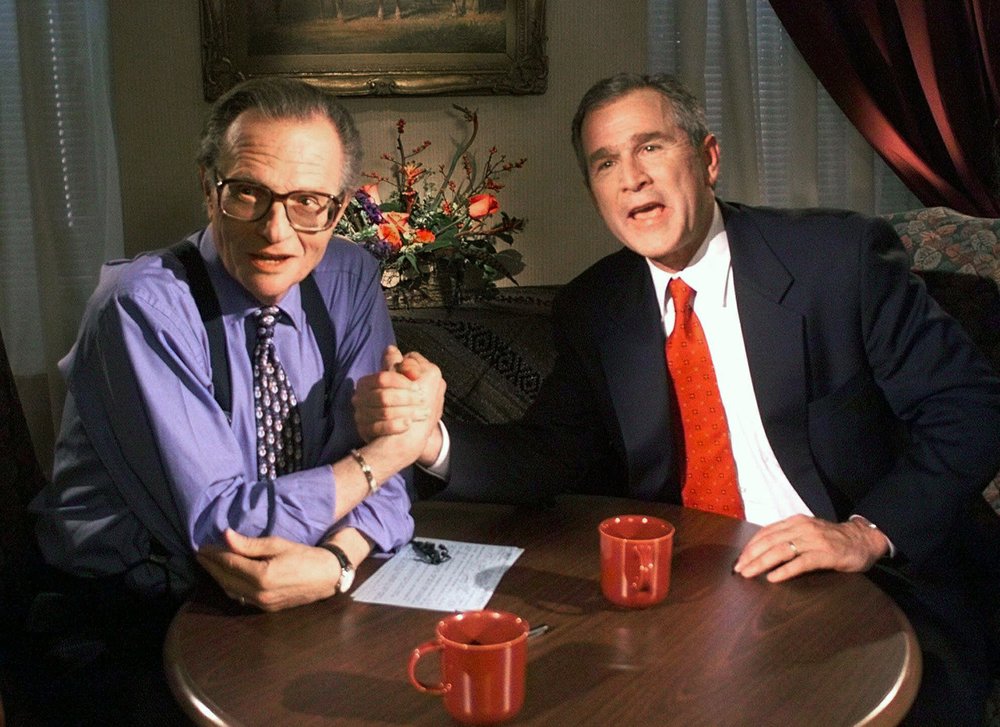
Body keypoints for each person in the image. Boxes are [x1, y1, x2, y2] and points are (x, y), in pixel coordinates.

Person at [354, 73, 1000, 725]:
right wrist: (430, 438)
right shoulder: (596, 307)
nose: (630, 176)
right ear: (595, 193)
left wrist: (863, 533)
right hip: (694, 602)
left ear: (709, 158)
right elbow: (554, 452)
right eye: (606, 162)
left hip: (879, 584)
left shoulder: (837, 259)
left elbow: (972, 407)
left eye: (652, 147)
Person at [25, 77, 431, 725]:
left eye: (307, 201)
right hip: (122, 619)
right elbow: (231, 527)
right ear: (209, 188)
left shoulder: (350, 279)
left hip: (294, 597)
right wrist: (389, 452)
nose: (277, 230)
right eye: (249, 193)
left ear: (338, 208)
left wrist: (337, 561)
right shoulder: (142, 307)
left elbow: (387, 489)